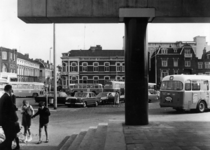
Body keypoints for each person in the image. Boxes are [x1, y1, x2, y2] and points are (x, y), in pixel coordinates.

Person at [0, 85, 19, 150]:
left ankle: (11, 148)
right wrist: (15, 120)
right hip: (8, 122)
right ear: (9, 89)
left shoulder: (2, 97)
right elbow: (11, 111)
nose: (12, 91)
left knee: (9, 137)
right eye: (11, 89)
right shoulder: (7, 97)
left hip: (4, 121)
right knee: (11, 136)